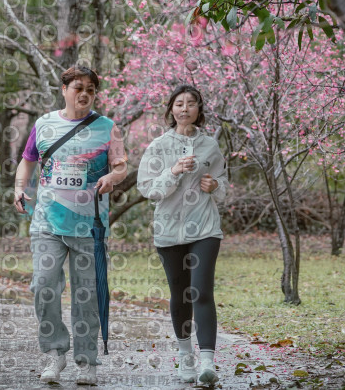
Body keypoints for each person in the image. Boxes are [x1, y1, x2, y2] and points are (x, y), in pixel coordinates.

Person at [14, 65, 128, 385]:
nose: (84, 94)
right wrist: (19, 188)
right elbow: (28, 160)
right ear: (64, 90)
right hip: (47, 221)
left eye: (91, 90)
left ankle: (86, 361)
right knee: (43, 285)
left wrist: (112, 176)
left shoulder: (108, 128)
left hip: (89, 224)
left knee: (86, 295)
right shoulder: (44, 124)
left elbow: (122, 166)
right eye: (78, 88)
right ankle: (55, 352)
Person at [137, 85, 228, 385]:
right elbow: (148, 189)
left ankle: (207, 363)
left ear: (199, 110)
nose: (184, 108)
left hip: (204, 228)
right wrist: (173, 171)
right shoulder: (159, 146)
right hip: (169, 231)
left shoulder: (210, 146)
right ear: (171, 109)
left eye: (191, 103)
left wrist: (216, 186)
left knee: (201, 291)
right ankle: (186, 356)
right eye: (179, 103)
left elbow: (223, 184)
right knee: (181, 294)